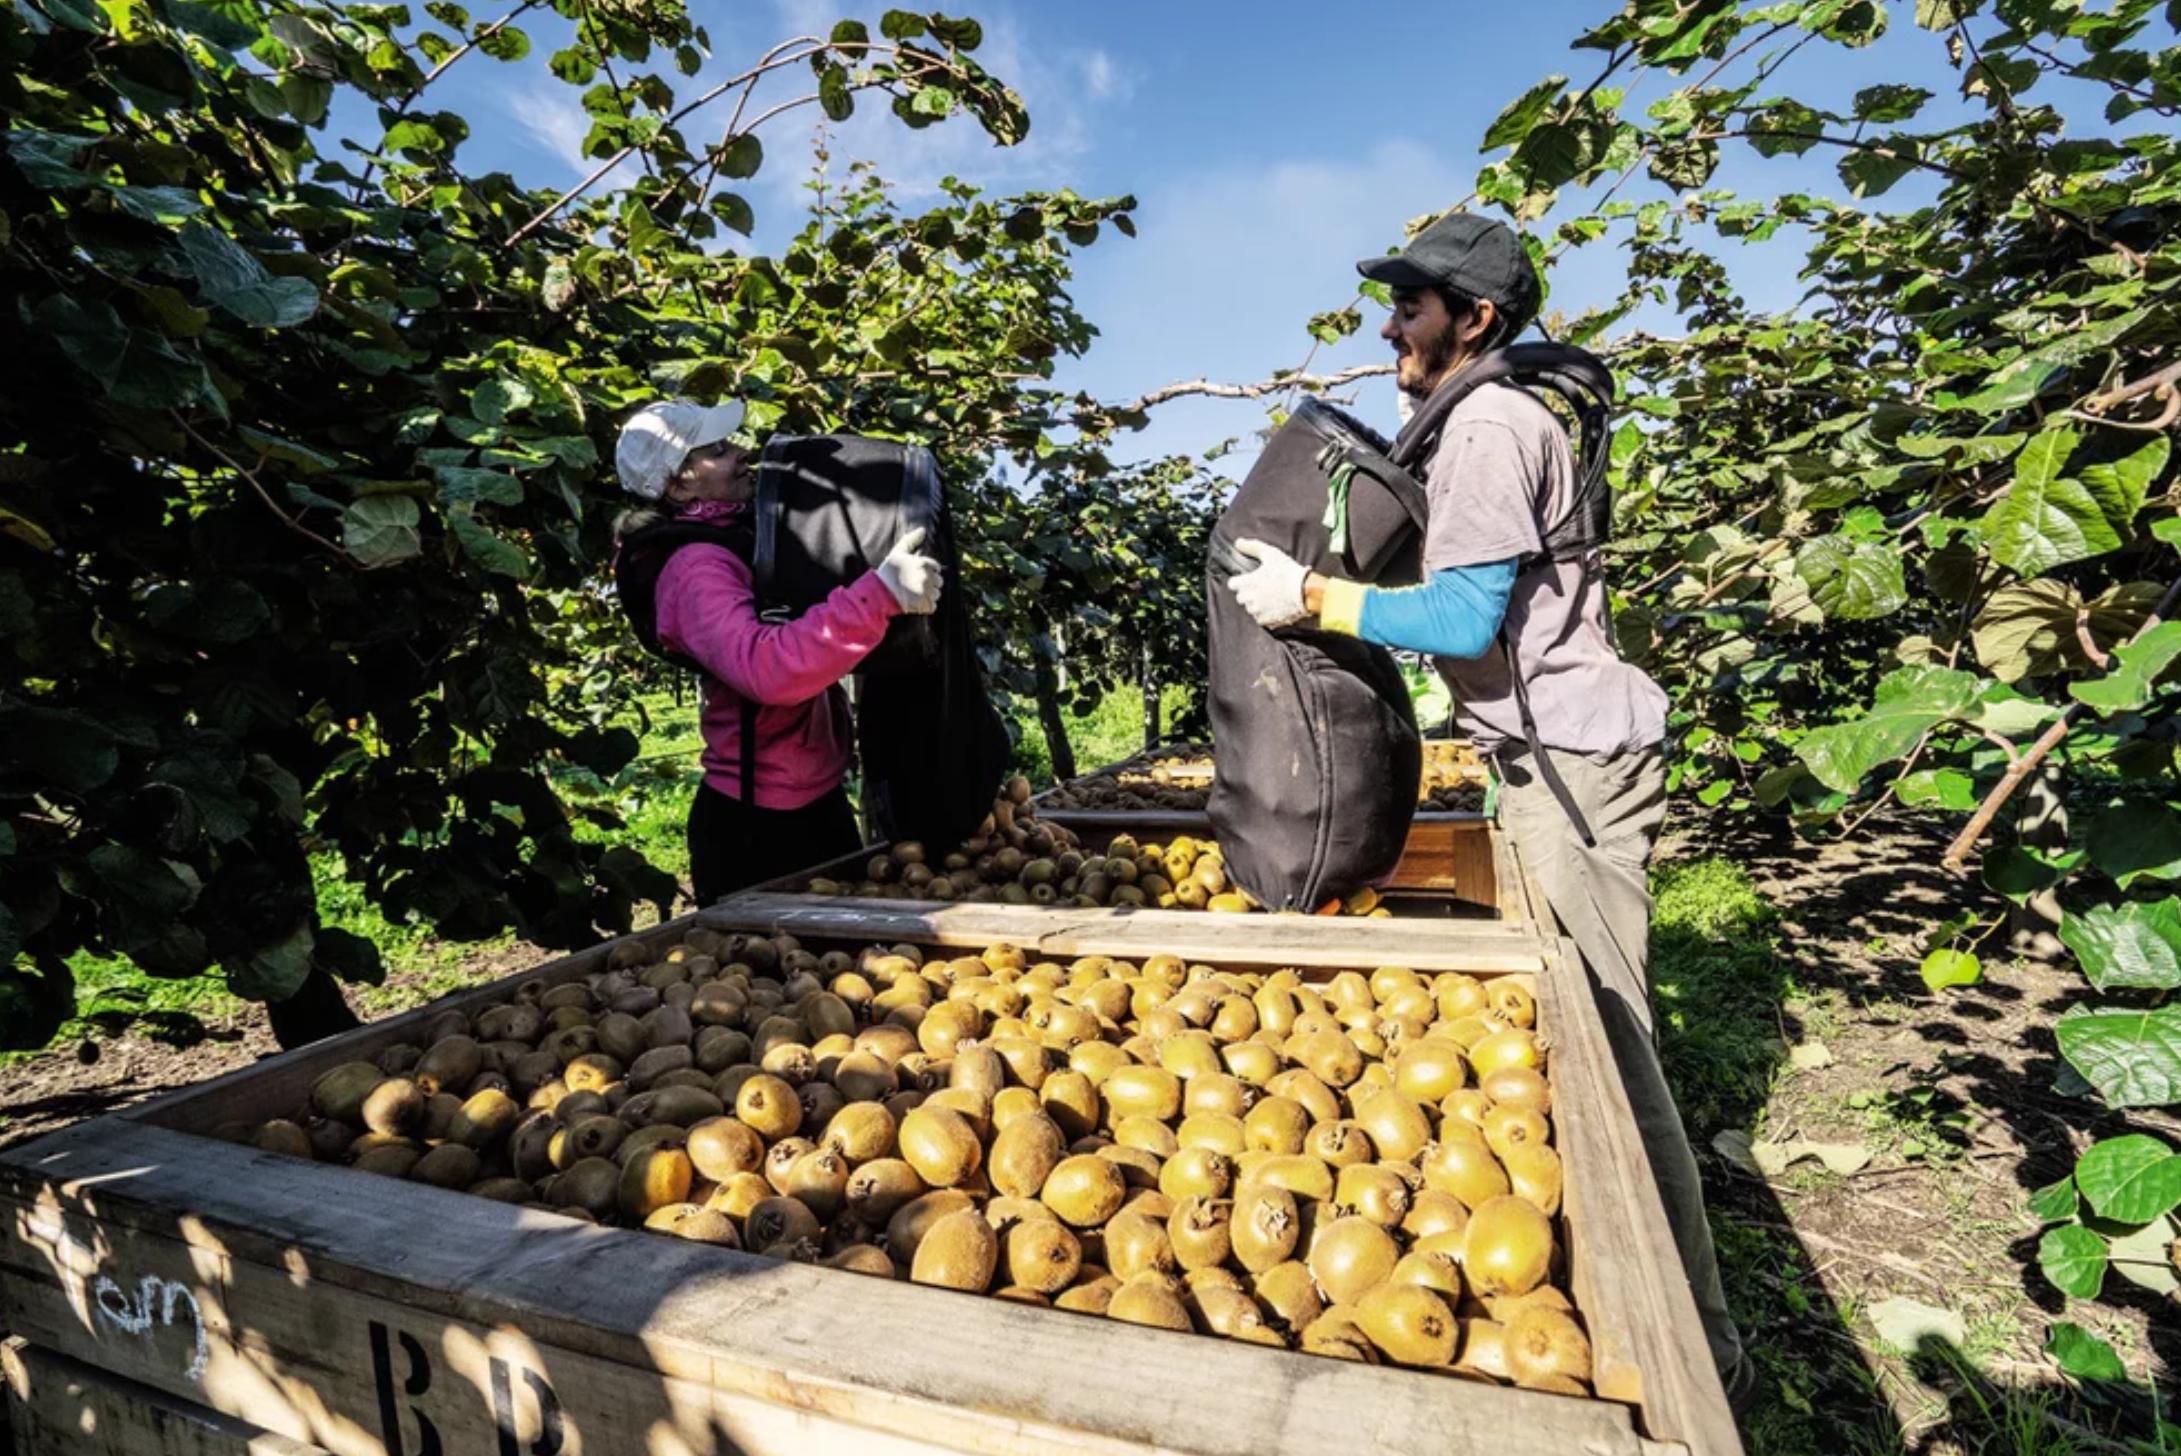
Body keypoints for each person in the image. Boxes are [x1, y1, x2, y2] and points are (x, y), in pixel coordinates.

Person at [1223, 212, 1751, 1405]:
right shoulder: (1506, 414)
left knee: (1616, 1060)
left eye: (1410, 305)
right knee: (1597, 1037)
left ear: (1475, 320)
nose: (1390, 323)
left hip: (1574, 767)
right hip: (1550, 757)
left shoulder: (1491, 427)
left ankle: (1703, 1350)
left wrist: (1313, 594)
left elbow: (1460, 620)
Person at [614, 398, 944, 905]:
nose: (741, 454)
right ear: (680, 484)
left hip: (809, 797)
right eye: (718, 451)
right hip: (757, 824)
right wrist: (879, 595)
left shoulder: (738, 542)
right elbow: (767, 671)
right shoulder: (695, 568)